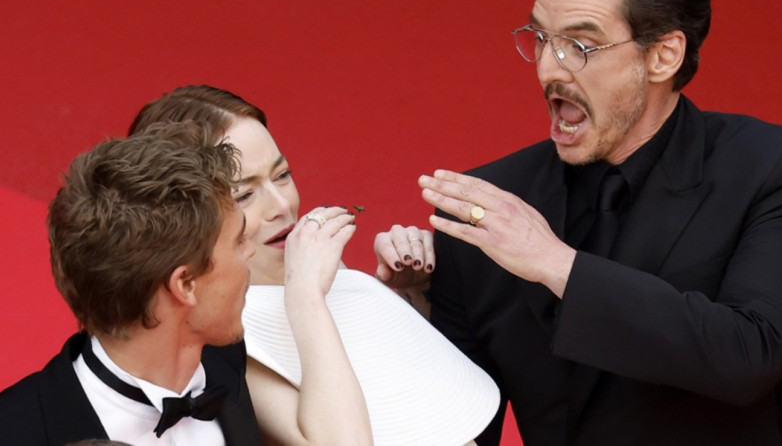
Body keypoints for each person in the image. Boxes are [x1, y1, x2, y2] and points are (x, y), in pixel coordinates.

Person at [384, 0, 782, 445]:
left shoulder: (773, 166)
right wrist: (407, 320)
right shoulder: (487, 211)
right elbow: (456, 431)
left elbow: (749, 355)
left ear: (663, 56)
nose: (547, 69)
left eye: (579, 46)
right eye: (540, 38)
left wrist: (554, 263)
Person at [130, 85, 500, 446]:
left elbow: (416, 399)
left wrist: (414, 295)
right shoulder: (216, 338)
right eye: (244, 194)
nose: (282, 205)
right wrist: (306, 295)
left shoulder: (312, 268)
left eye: (282, 175)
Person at [0, 122, 263, 445]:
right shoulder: (14, 431)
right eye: (238, 241)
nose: (250, 252)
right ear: (185, 284)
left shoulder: (228, 359)